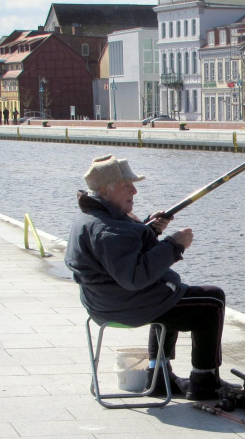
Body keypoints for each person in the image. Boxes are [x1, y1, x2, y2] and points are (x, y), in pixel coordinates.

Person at [65, 154, 230, 400]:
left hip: (106, 303)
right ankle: (204, 381)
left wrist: (148, 230)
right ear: (105, 192)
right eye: (126, 186)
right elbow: (135, 276)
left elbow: (123, 250)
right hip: (122, 305)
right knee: (211, 301)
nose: (134, 191)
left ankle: (158, 377)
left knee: (171, 290)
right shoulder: (106, 229)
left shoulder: (97, 217)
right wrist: (174, 245)